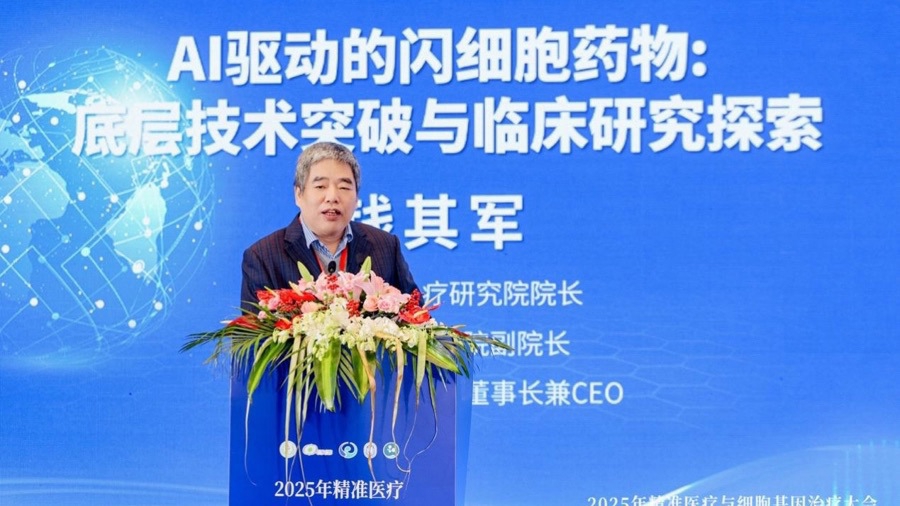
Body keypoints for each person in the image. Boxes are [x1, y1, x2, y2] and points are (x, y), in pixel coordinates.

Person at [240, 141, 418, 311]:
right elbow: (253, 331)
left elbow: (416, 315)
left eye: (344, 187)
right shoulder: (263, 257)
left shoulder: (386, 246)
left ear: (356, 197)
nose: (332, 197)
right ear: (299, 194)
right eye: (320, 186)